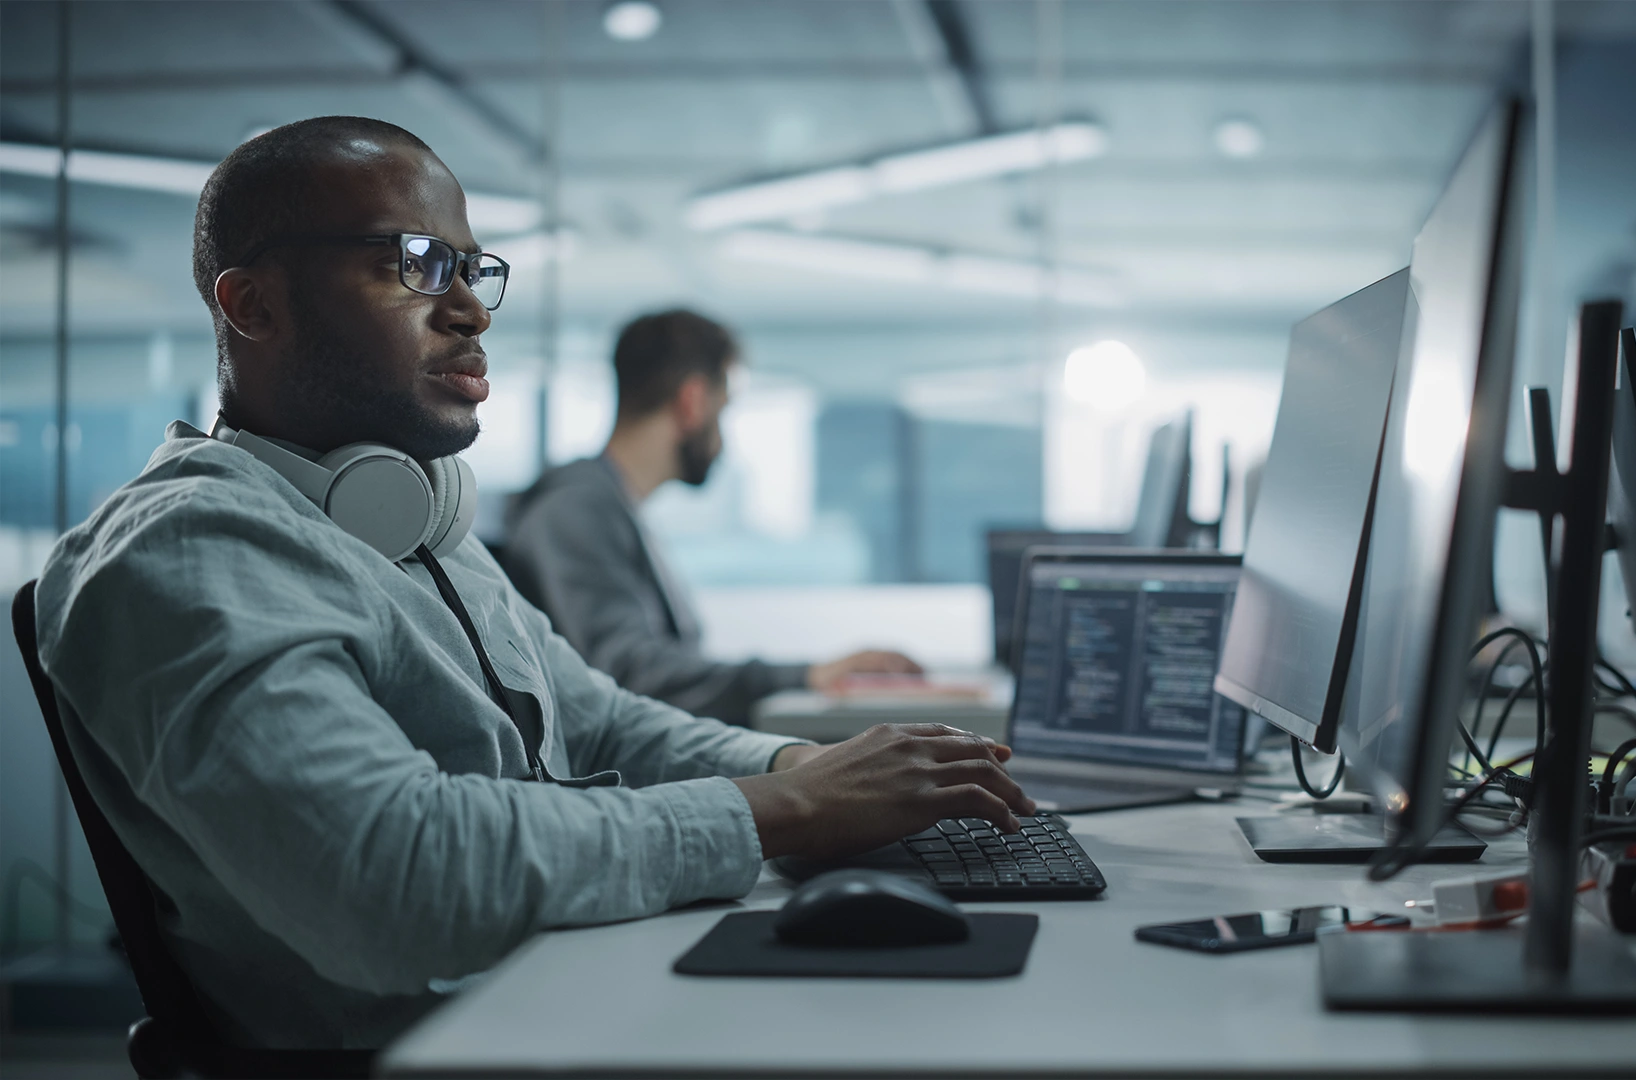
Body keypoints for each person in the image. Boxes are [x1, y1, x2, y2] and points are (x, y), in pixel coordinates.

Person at [32, 116, 1032, 1050]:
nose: (469, 309)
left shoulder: (412, 516)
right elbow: (397, 881)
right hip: (451, 1042)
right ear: (252, 304)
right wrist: (793, 813)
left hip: (558, 990)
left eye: (472, 270)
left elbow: (601, 725)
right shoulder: (186, 552)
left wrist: (800, 767)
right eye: (415, 265)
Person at [503, 310, 919, 725]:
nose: (723, 437)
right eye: (724, 410)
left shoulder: (612, 507)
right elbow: (631, 674)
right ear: (693, 402)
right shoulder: (575, 511)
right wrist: (808, 676)